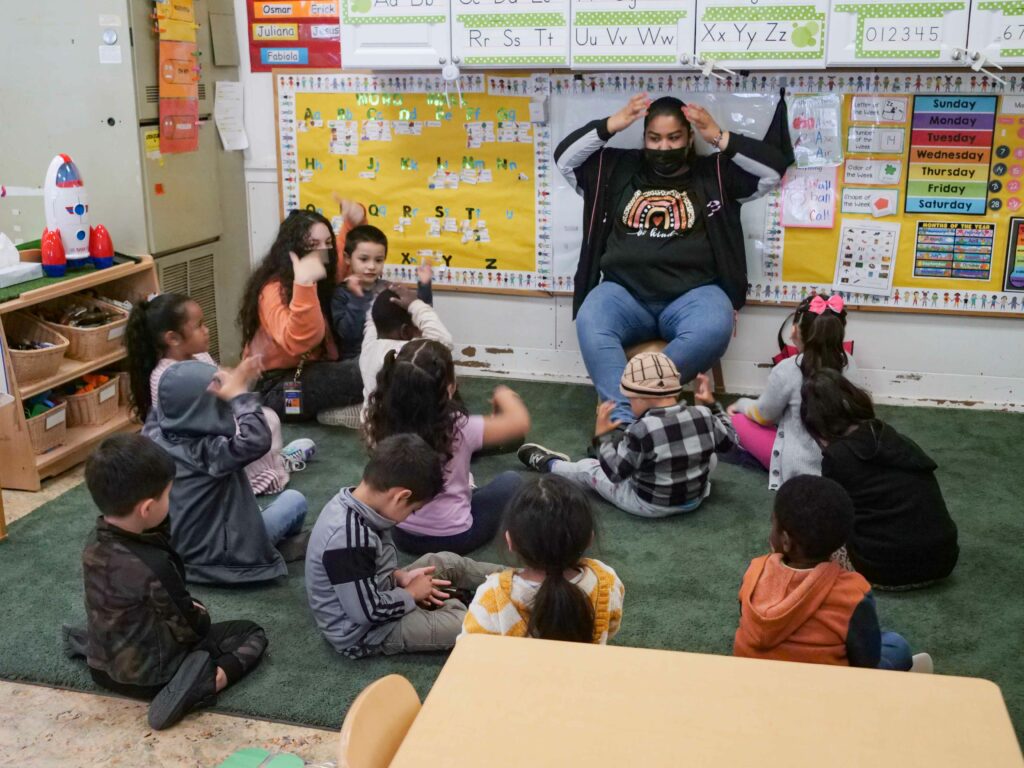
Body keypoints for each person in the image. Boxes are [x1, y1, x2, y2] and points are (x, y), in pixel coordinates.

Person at [554, 92, 793, 435]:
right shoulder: (617, 168)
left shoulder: (714, 172)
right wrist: (612, 125)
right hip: (624, 293)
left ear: (689, 137)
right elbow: (564, 159)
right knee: (592, 320)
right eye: (654, 138)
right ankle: (622, 422)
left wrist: (718, 135)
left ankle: (641, 396)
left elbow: (773, 170)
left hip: (694, 294)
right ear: (644, 137)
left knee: (715, 325)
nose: (663, 147)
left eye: (673, 137)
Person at [64, 434, 268, 730]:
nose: (170, 502)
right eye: (168, 495)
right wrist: (199, 611)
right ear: (147, 509)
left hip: (102, 667)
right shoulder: (152, 565)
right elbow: (192, 629)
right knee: (251, 633)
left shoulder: (94, 539)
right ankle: (205, 681)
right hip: (152, 678)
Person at [305, 434, 502, 657]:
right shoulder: (348, 539)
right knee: (464, 624)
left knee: (445, 561)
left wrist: (399, 577)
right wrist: (410, 595)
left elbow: (367, 569)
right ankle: (463, 604)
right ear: (401, 497)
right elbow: (366, 613)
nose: (409, 517)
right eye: (413, 510)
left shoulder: (361, 504)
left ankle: (519, 581)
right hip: (366, 632)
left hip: (381, 591)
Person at [734, 475, 932, 672]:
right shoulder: (853, 592)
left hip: (754, 681)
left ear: (785, 540)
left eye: (773, 524)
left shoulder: (755, 570)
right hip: (824, 692)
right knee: (897, 645)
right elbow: (867, 662)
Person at [125, 292, 313, 495]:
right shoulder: (168, 375)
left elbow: (224, 385)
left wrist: (243, 372)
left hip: (213, 423)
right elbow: (219, 397)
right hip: (198, 444)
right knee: (264, 424)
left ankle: (272, 463)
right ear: (173, 338)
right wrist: (239, 379)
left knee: (266, 417)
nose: (206, 330)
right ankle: (256, 480)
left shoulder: (199, 356)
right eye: (199, 326)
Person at [143, 358, 308, 584]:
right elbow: (258, 440)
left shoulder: (151, 440)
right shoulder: (211, 453)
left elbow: (161, 409)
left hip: (179, 556)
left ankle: (291, 459)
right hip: (229, 559)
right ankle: (273, 546)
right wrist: (239, 396)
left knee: (304, 446)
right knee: (294, 499)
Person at [519, 352, 735, 518]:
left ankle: (550, 465)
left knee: (588, 468)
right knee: (711, 456)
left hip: (650, 504)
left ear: (640, 397)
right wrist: (712, 405)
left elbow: (615, 473)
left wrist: (602, 437)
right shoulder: (704, 415)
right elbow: (730, 443)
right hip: (695, 499)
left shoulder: (640, 429)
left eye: (630, 399)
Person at [363, 339, 529, 555]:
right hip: (454, 538)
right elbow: (519, 423)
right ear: (449, 388)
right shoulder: (459, 425)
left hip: (401, 533)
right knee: (511, 480)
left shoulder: (379, 420)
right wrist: (504, 395)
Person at [800, 370, 959, 589]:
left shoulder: (837, 457)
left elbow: (831, 517)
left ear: (816, 425)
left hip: (883, 569)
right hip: (944, 560)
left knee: (804, 530)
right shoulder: (890, 436)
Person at [461, 475, 624, 644]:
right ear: (589, 538)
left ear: (510, 542)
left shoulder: (492, 595)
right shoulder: (606, 579)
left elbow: (469, 650)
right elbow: (611, 627)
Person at [238, 209, 363, 422]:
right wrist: (303, 284)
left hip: (309, 374)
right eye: (313, 245)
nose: (323, 251)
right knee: (369, 369)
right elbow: (298, 341)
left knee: (375, 358)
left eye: (327, 243)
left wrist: (352, 221)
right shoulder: (273, 291)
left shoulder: (322, 272)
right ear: (293, 249)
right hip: (277, 391)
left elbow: (340, 251)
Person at [726, 293, 850, 490]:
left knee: (737, 420)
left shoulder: (787, 368)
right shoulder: (850, 364)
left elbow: (764, 415)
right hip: (846, 464)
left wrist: (740, 403)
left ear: (795, 331)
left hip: (800, 469)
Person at [331, 225, 433, 361]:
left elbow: (419, 321)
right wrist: (357, 298)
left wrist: (424, 286)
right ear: (347, 258)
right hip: (356, 359)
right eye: (364, 259)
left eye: (378, 260)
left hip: (389, 354)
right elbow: (349, 336)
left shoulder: (388, 288)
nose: (372, 266)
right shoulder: (341, 293)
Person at [359, 283, 452, 417]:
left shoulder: (369, 346)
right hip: (403, 433)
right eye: (418, 326)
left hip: (372, 431)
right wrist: (415, 304)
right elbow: (444, 342)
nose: (421, 331)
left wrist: (378, 297)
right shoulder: (406, 353)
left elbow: (372, 321)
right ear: (405, 331)